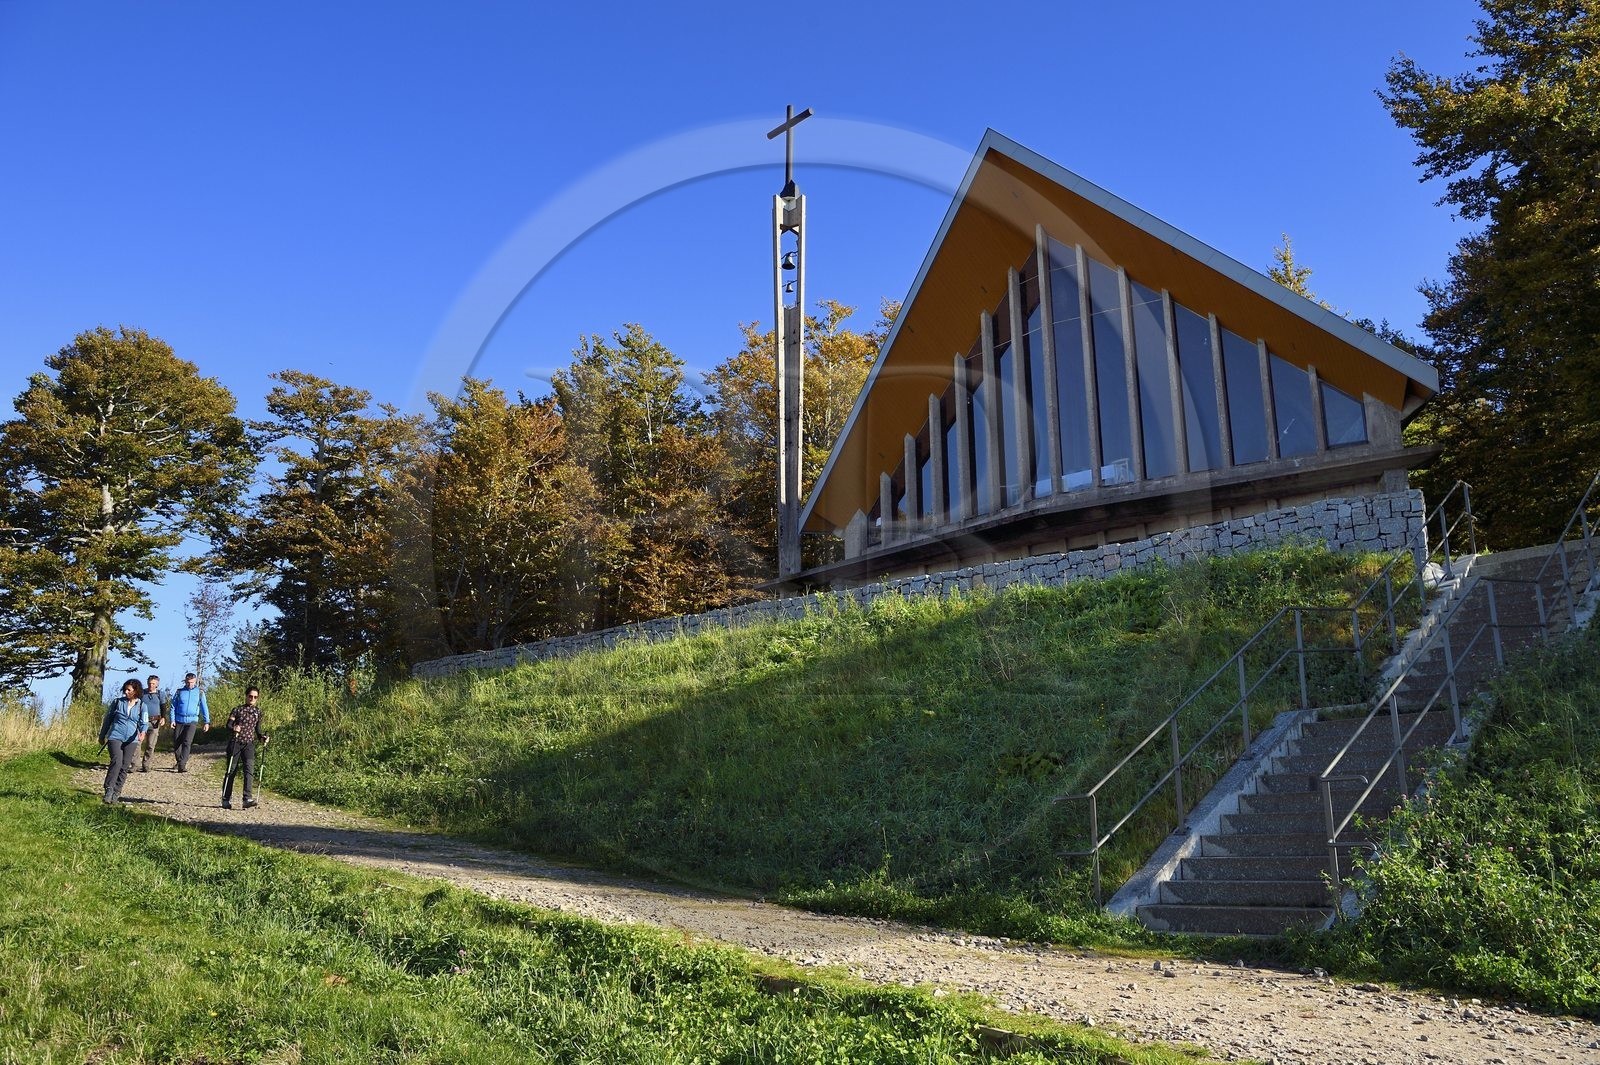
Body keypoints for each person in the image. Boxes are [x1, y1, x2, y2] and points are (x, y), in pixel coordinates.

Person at [98, 678, 149, 804]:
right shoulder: (117, 702)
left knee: (125, 765)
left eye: (129, 690)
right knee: (116, 761)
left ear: (136, 691)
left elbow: (144, 722)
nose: (126, 692)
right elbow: (108, 720)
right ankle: (108, 789)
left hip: (132, 739)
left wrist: (143, 732)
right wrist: (102, 735)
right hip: (115, 735)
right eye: (125, 689)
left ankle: (117, 791)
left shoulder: (142, 705)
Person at [221, 686, 269, 810]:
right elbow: (228, 725)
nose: (252, 699)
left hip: (249, 744)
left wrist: (262, 737)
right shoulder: (237, 710)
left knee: (249, 770)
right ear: (246, 696)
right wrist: (234, 728)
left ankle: (247, 798)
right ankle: (226, 798)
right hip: (235, 742)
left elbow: (257, 730)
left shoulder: (258, 712)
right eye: (250, 696)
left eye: (255, 697)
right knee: (231, 770)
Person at [169, 672, 210, 773]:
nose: (190, 684)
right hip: (179, 720)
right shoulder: (179, 692)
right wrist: (172, 720)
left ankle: (182, 764)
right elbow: (173, 707)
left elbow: (204, 708)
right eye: (188, 682)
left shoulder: (200, 692)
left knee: (187, 742)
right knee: (177, 742)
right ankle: (179, 761)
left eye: (192, 682)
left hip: (192, 721)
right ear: (185, 681)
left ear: (195, 681)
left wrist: (206, 722)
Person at [138, 673, 171, 772]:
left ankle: (146, 764)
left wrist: (163, 718)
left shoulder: (160, 694)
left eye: (153, 683)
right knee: (137, 743)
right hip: (142, 721)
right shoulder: (142, 693)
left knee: (151, 744)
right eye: (149, 683)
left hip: (154, 721)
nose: (150, 685)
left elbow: (163, 707)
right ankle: (134, 764)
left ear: (157, 684)